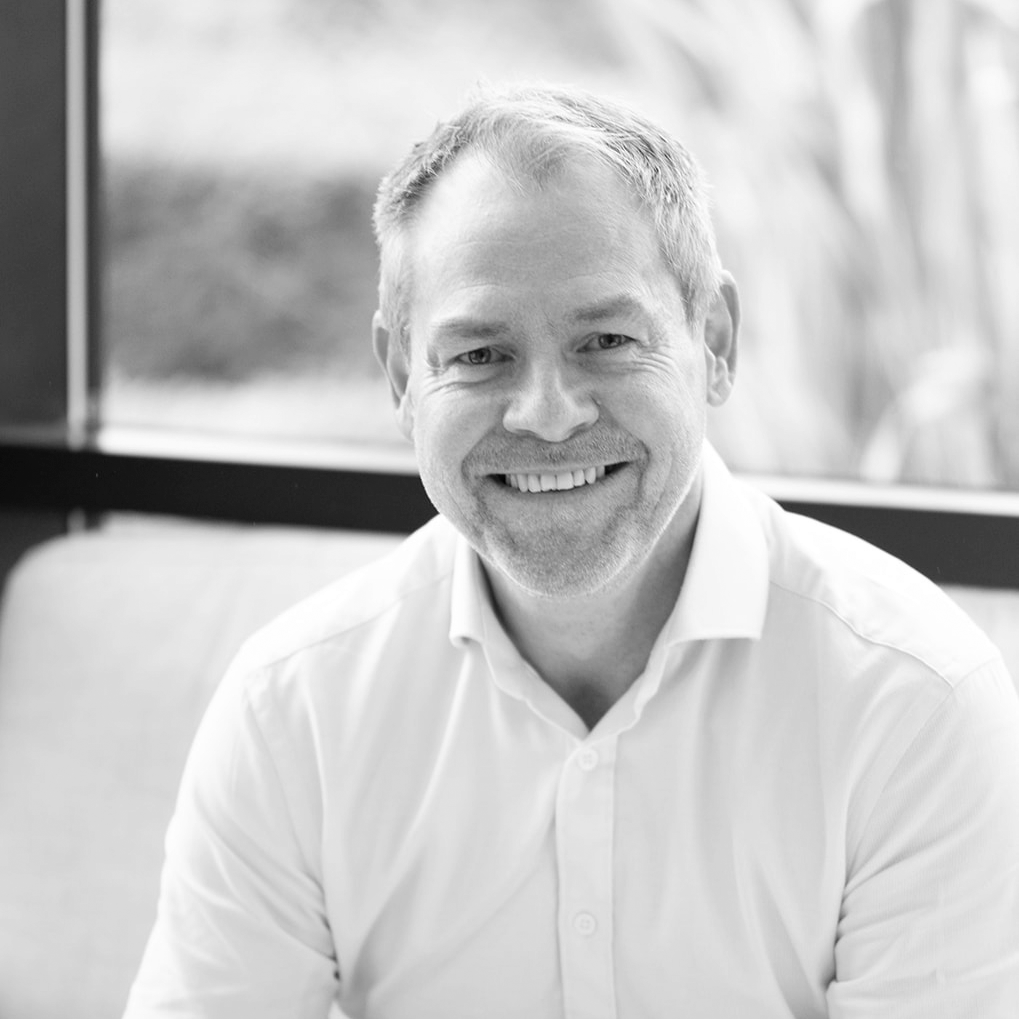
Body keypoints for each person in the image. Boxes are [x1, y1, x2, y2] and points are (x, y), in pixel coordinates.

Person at [124, 83, 1019, 1018]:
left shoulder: (913, 699)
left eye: (604, 340)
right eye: (479, 355)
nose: (547, 412)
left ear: (712, 341)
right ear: (400, 378)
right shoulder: (291, 710)